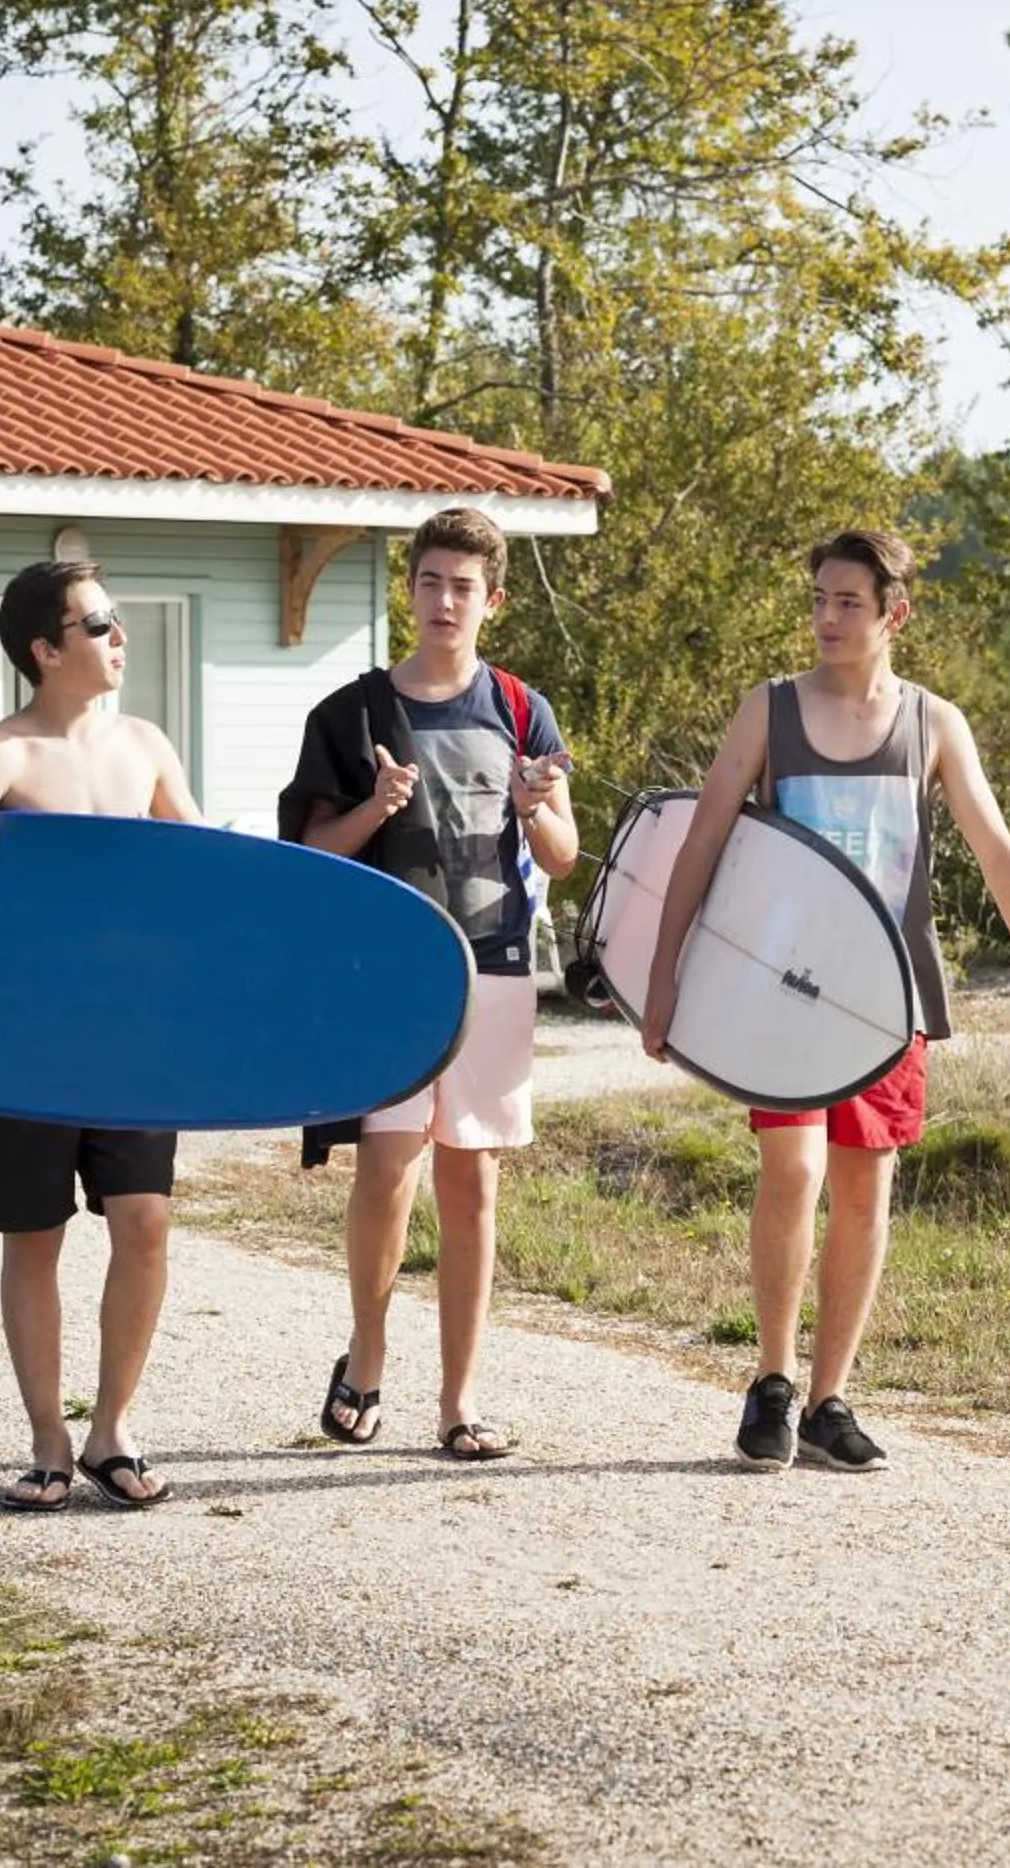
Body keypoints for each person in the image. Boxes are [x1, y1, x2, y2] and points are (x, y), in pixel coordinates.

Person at [640, 527, 1010, 1473]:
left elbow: (998, 850)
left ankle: (831, 1398)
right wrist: (662, 977)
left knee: (866, 1189)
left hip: (887, 999)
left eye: (848, 604)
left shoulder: (933, 724)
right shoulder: (770, 711)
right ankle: (773, 1380)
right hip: (779, 993)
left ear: (893, 615)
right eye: (820, 601)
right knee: (792, 1170)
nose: (827, 619)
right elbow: (703, 840)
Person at [0, 559, 202, 1512]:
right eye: (99, 623)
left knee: (144, 1225)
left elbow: (207, 889)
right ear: (45, 649)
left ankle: (114, 1428)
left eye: (115, 619)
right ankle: (46, 1440)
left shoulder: (147, 747)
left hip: (131, 1040)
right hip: (17, 1038)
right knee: (33, 1240)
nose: (120, 636)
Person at [279, 508, 576, 1460]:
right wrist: (374, 805)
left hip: (493, 968)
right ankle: (366, 1356)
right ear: (408, 591)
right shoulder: (351, 714)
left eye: (463, 586)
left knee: (472, 1185)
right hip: (388, 970)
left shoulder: (524, 711)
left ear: (494, 600)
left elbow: (563, 857)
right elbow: (309, 854)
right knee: (386, 1175)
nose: (444, 601)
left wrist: (537, 811)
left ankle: (460, 1402)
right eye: (429, 582)